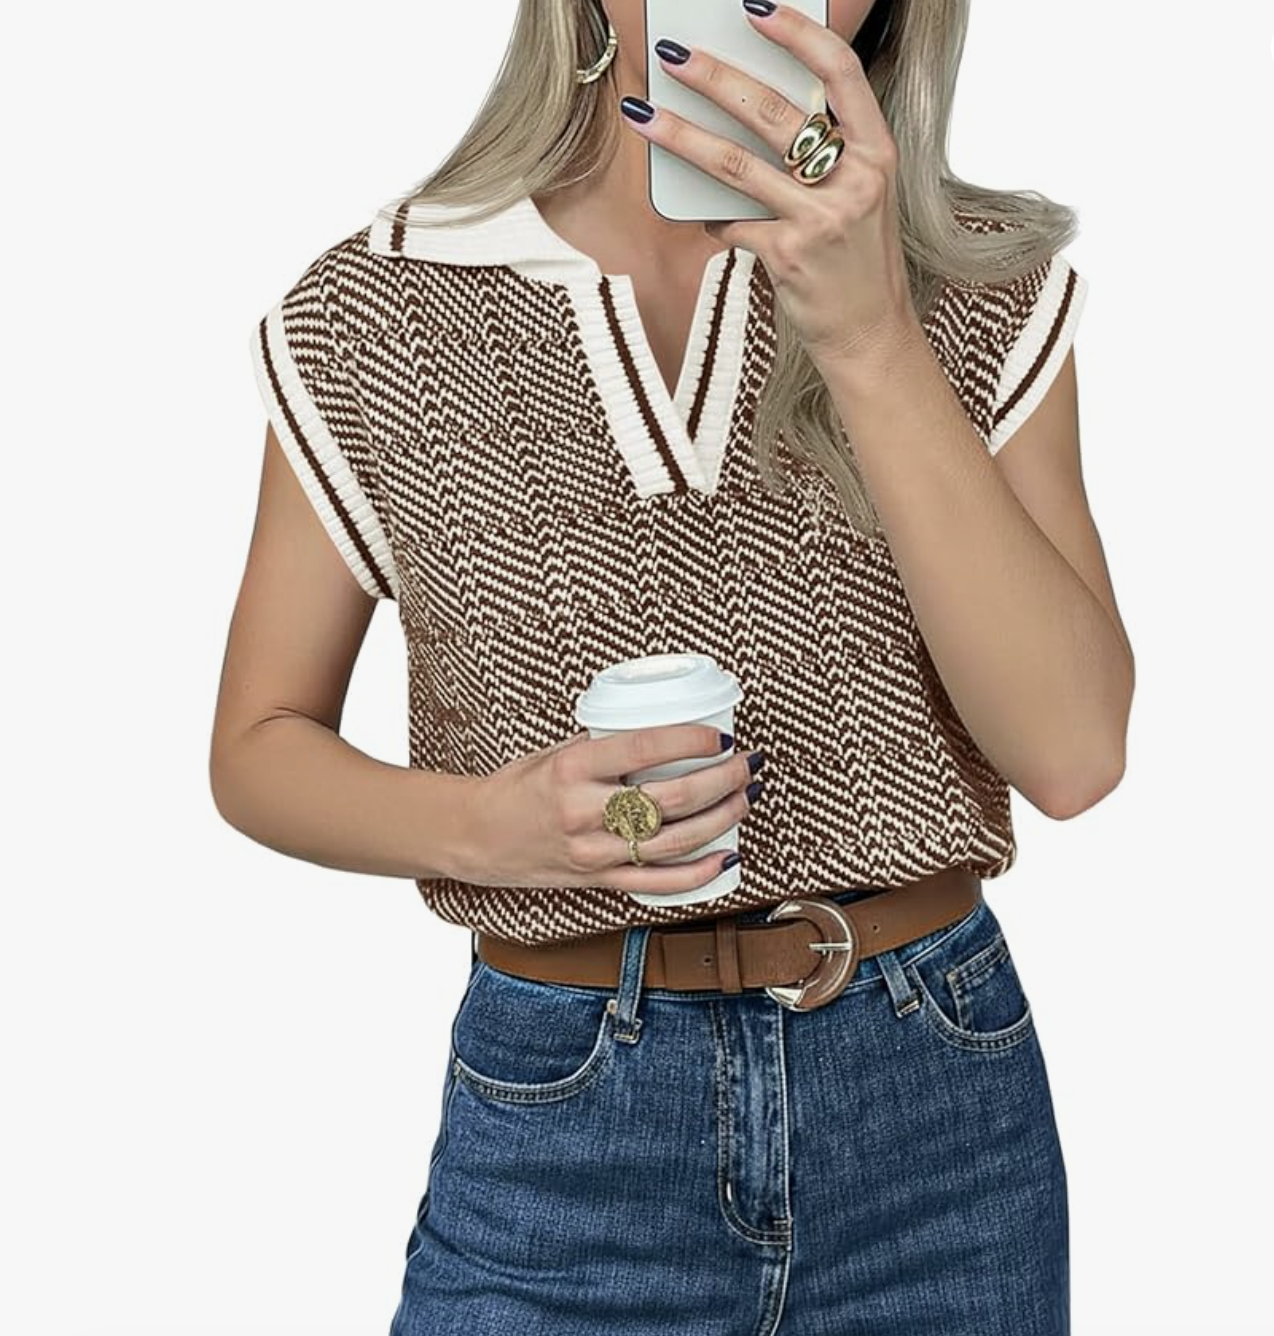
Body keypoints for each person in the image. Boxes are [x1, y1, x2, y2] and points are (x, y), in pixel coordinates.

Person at [211, 0, 1134, 1331]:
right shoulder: (373, 314)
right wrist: (499, 827)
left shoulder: (976, 283)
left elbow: (1072, 751)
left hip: (935, 1113)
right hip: (563, 1125)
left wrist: (870, 335)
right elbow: (258, 745)